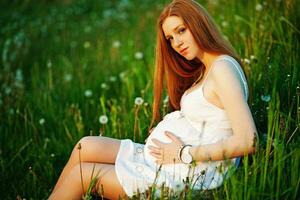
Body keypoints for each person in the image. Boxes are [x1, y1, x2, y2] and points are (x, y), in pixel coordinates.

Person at [49, 0, 257, 199]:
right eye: (170, 38)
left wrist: (184, 153)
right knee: (85, 147)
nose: (176, 43)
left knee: (82, 175)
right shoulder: (207, 70)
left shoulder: (223, 69)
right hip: (171, 162)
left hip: (190, 177)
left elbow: (249, 141)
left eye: (181, 30)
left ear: (199, 23)